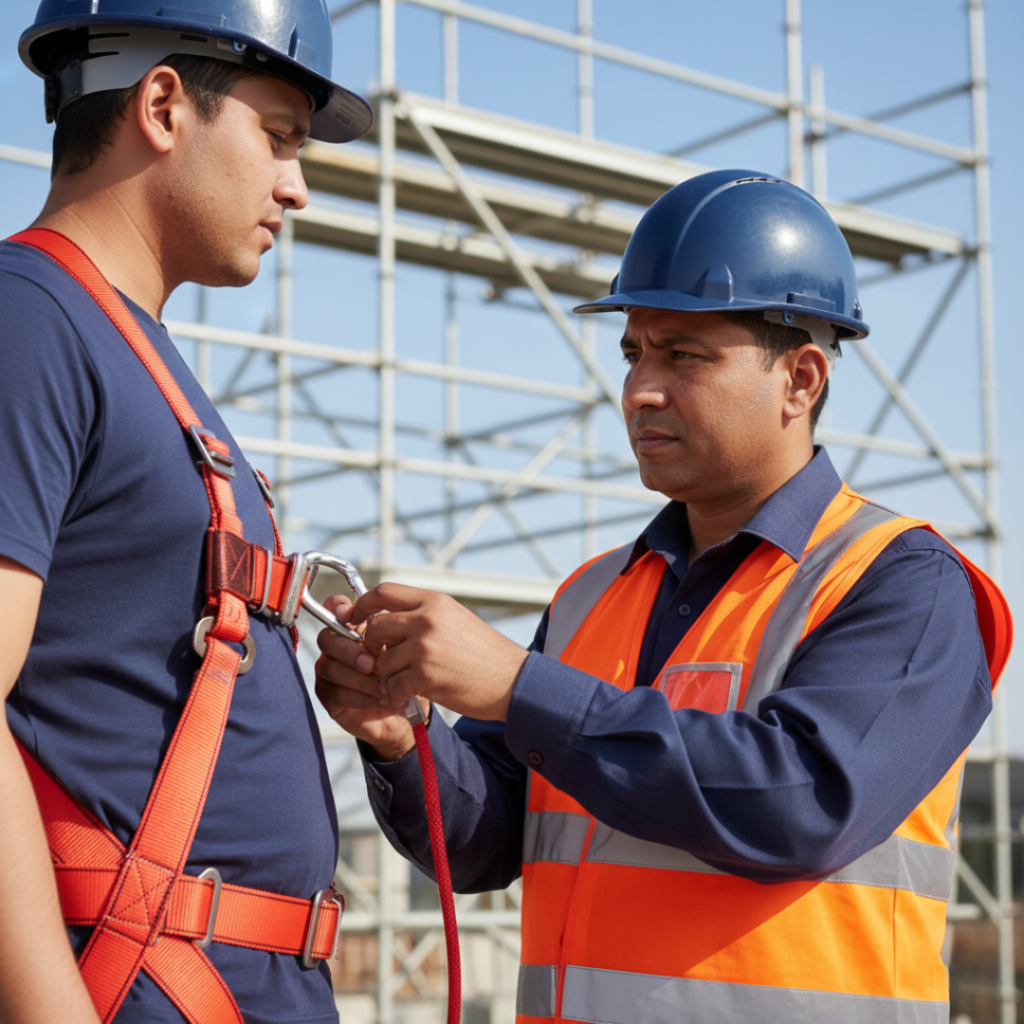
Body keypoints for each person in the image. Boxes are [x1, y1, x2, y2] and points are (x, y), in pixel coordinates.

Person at [315, 169, 1013, 1023]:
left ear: (801, 380)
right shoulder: (589, 595)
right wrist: (402, 737)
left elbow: (804, 803)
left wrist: (518, 686)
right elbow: (486, 843)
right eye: (633, 353)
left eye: (684, 355)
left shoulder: (901, 580)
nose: (640, 389)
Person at [0, 3, 372, 1023]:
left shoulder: (123, 346)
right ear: (164, 104)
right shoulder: (30, 321)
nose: (296, 185)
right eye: (280, 136)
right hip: (140, 981)